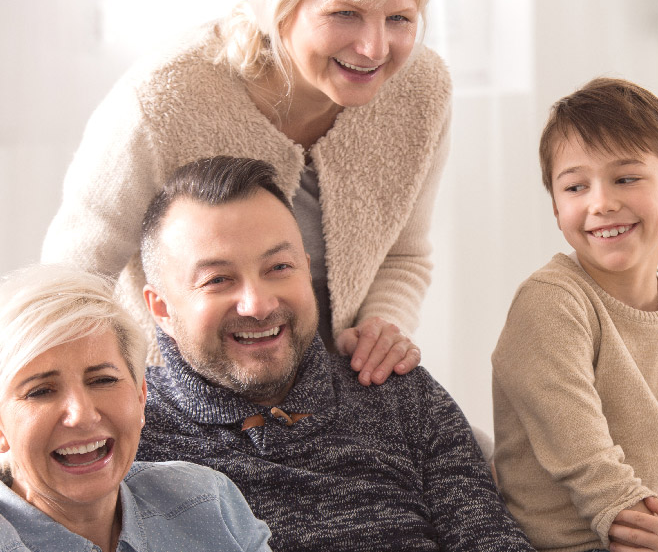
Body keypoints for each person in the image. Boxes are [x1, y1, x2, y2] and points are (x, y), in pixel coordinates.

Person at [42, 0, 450, 384]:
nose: (374, 48)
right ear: (280, 8)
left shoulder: (420, 89)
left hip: (333, 393)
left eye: (399, 18)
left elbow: (403, 254)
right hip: (178, 401)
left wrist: (381, 328)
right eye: (344, 14)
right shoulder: (162, 100)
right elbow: (71, 285)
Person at [135, 156, 533, 552]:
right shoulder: (129, 429)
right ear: (162, 309)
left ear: (306, 272)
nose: (257, 305)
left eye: (278, 267)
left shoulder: (398, 392)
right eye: (218, 280)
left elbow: (492, 540)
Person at [491, 78, 658, 552]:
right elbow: (592, 473)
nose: (601, 202)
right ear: (556, 206)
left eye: (626, 178)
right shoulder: (550, 303)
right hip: (595, 540)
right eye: (576, 186)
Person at [0, 263, 271, 552]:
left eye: (102, 380)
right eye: (40, 392)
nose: (82, 415)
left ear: (141, 395)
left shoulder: (209, 502)